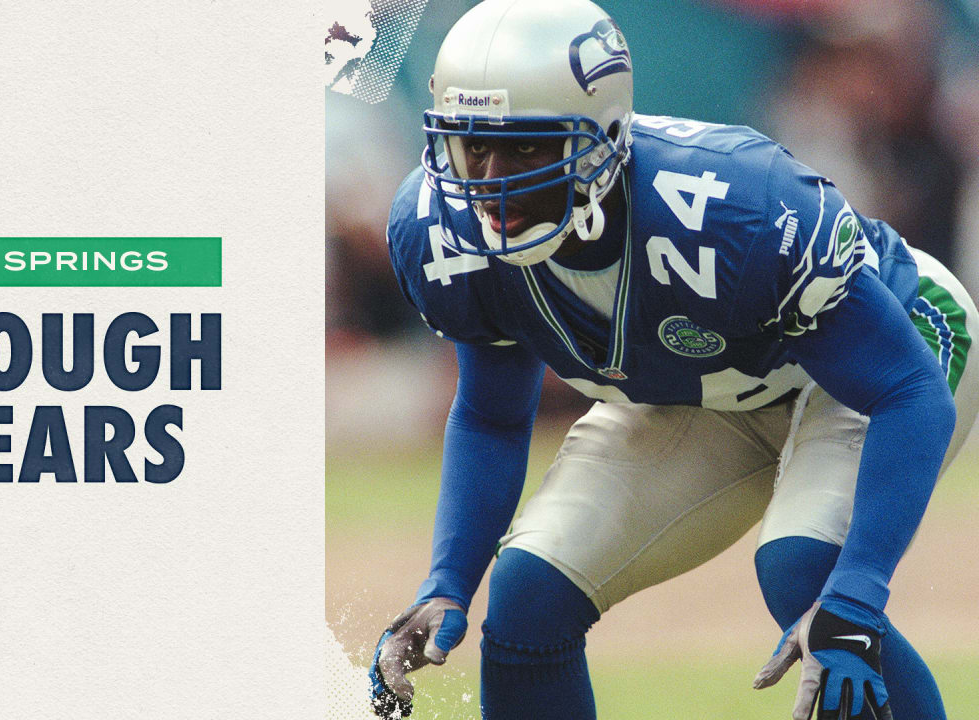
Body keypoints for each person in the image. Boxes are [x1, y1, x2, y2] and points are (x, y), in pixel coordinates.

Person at [365, 1, 979, 718]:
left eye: (528, 148)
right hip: (713, 390)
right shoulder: (438, 231)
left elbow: (907, 390)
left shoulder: (734, 209)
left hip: (880, 355)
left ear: (607, 137)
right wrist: (447, 582)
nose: (491, 181)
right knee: (530, 592)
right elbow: (493, 415)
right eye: (472, 145)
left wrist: (859, 593)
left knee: (808, 573)